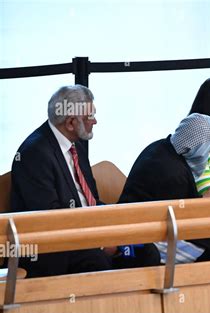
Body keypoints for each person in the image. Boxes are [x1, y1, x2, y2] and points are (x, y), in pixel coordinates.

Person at [10, 85, 160, 278]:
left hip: (86, 229)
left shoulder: (76, 144)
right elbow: (49, 220)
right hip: (50, 246)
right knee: (96, 260)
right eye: (90, 117)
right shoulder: (34, 154)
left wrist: (117, 226)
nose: (95, 121)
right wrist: (98, 241)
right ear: (71, 122)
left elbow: (91, 201)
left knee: (146, 251)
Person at [118, 113, 210, 262]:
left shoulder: (162, 147)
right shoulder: (173, 171)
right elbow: (181, 221)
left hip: (145, 226)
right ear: (201, 147)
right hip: (140, 237)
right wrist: (205, 203)